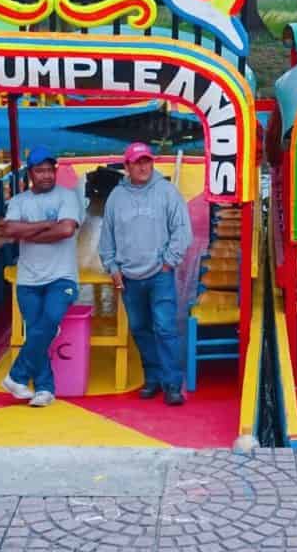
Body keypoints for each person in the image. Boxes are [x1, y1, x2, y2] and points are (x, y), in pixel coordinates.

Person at [99, 142, 192, 406]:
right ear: (127, 166)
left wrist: (168, 262)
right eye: (137, 162)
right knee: (140, 328)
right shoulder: (116, 197)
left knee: (164, 328)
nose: (143, 166)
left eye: (147, 161)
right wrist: (112, 268)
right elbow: (107, 237)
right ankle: (153, 378)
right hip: (129, 277)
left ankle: (172, 383)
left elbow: (182, 231)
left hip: (159, 274)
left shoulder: (167, 192)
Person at [2, 145, 84, 408]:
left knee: (48, 322)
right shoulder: (18, 201)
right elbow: (10, 230)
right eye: (41, 171)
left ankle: (16, 376)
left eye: (50, 170)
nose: (47, 175)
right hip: (28, 280)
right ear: (30, 173)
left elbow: (66, 231)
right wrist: (46, 224)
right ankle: (44, 389)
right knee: (39, 331)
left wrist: (29, 233)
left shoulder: (68, 196)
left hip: (62, 277)